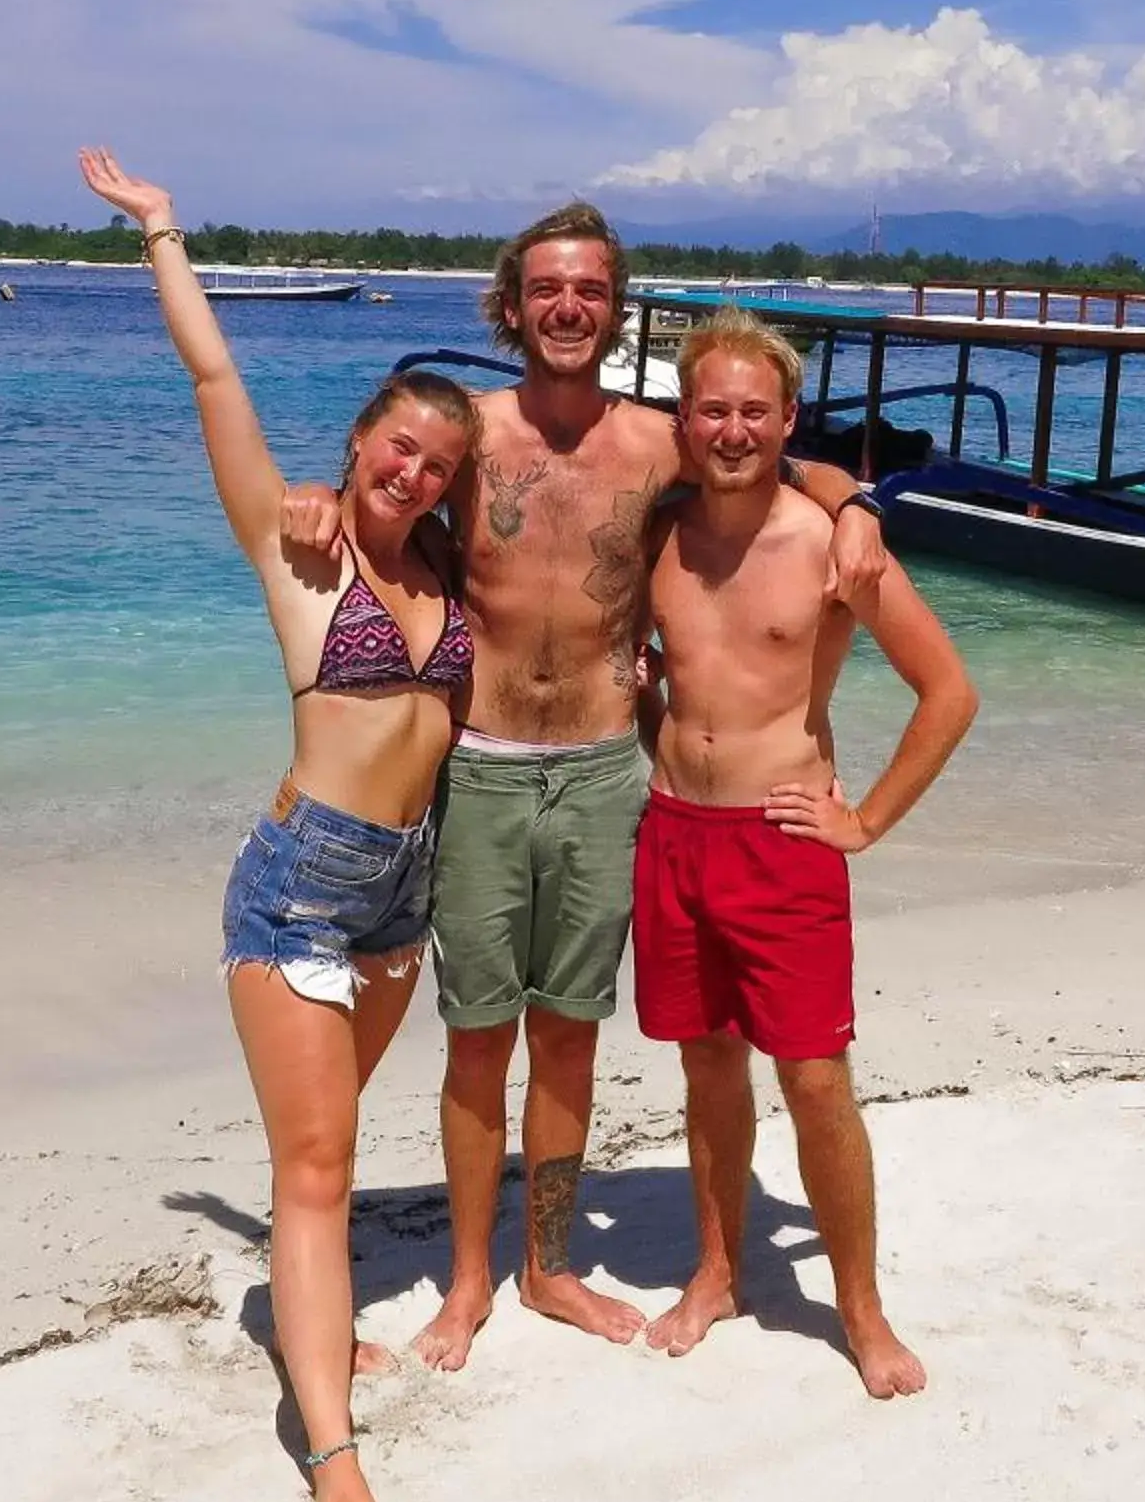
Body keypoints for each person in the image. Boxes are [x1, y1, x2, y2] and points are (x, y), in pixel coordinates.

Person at [282, 203, 885, 1369]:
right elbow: (386, 488)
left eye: (591, 292)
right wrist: (316, 498)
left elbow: (776, 453)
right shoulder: (478, 431)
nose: (569, 309)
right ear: (512, 304)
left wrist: (853, 504)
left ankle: (546, 1267)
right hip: (484, 769)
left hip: (611, 773)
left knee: (568, 1036)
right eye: (547, 289)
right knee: (475, 1040)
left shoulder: (660, 442)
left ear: (616, 311)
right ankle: (467, 1282)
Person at [76, 147, 475, 1502]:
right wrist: (165, 234)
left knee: (324, 1156)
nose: (411, 469)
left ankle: (306, 1319)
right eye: (394, 445)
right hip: (301, 886)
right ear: (359, 438)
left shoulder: (445, 571)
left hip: (401, 893)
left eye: (437, 460)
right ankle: (333, 1458)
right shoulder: (298, 552)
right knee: (316, 1170)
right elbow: (216, 387)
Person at [633, 308, 976, 1398]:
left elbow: (950, 693)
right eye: (712, 409)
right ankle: (720, 1271)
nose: (732, 429)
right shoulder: (660, 535)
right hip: (675, 832)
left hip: (783, 848)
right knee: (707, 1065)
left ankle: (861, 1311)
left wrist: (864, 821)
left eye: (753, 411)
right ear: (685, 419)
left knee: (816, 1078)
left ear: (787, 420)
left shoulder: (835, 547)